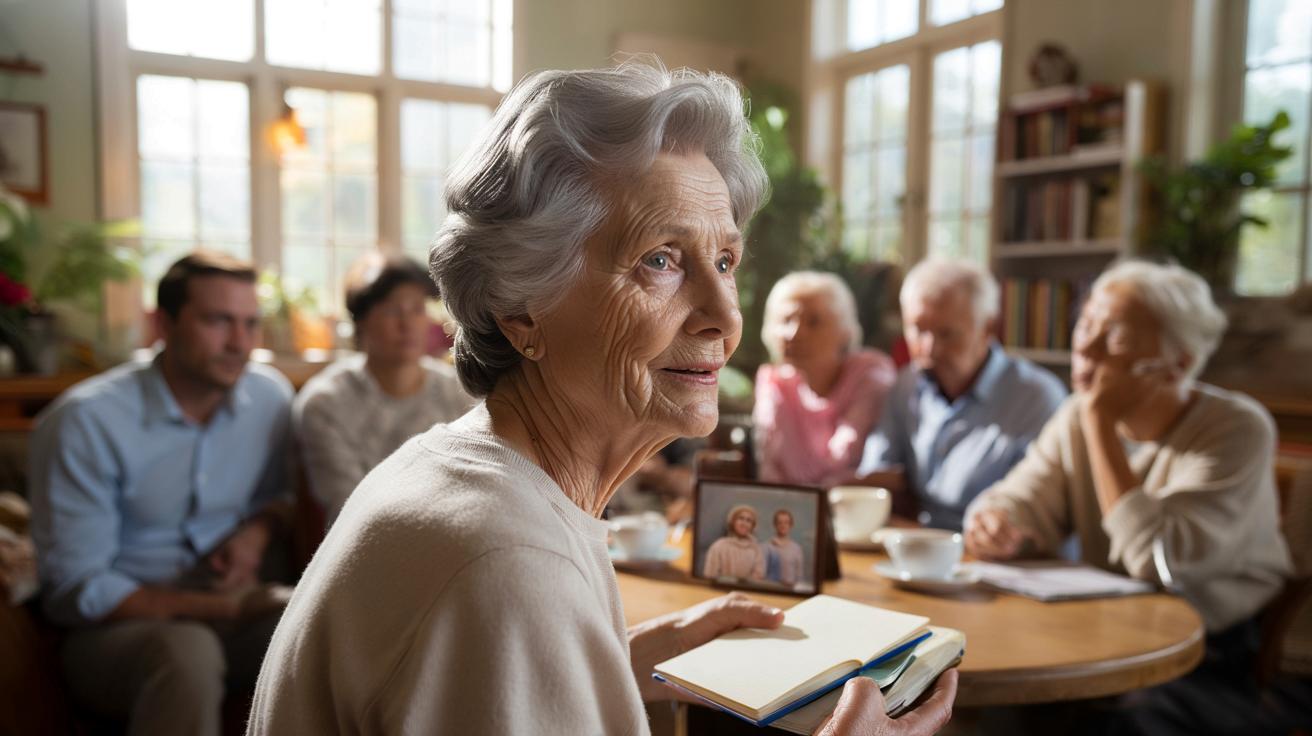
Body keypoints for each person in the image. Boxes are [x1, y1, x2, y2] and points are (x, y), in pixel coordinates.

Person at [247, 61, 956, 736]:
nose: (725, 317)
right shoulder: (510, 563)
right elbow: (501, 598)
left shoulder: (462, 474)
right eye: (660, 260)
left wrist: (613, 658)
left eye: (724, 261)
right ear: (520, 309)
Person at [964, 260, 1294, 735]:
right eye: (1086, 325)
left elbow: (1159, 561)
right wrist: (996, 520)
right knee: (996, 697)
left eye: (1114, 336)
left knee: (1110, 725)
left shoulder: (1238, 429)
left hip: (1211, 653)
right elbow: (1023, 496)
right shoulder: (1076, 416)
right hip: (1106, 628)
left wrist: (1100, 424)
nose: (1085, 346)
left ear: (1178, 364)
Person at [28, 251, 295, 736]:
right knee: (188, 650)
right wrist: (226, 607)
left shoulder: (270, 398)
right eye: (218, 321)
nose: (239, 343)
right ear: (162, 324)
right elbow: (76, 590)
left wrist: (256, 533)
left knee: (333, 621)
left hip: (234, 615)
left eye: (250, 323)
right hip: (115, 636)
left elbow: (281, 497)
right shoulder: (84, 423)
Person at [856, 258, 1066, 530]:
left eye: (946, 334)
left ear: (988, 328)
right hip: (917, 542)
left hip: (997, 549)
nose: (929, 348)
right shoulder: (906, 386)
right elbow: (876, 477)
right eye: (918, 329)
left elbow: (1035, 511)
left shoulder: (1037, 398)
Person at [294, 252, 474, 525]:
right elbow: (347, 508)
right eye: (392, 310)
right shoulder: (326, 403)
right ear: (361, 320)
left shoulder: (458, 390)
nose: (407, 324)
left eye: (417, 309)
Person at [754, 271, 897, 487]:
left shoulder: (871, 377)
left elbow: (854, 470)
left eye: (813, 322)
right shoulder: (774, 384)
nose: (795, 333)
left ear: (845, 331)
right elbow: (768, 473)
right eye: (786, 320)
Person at [703, 504, 767, 580]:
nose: (744, 523)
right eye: (741, 518)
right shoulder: (719, 546)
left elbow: (758, 576)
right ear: (733, 522)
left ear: (752, 526)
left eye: (748, 520)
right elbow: (710, 574)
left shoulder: (756, 550)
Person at [764, 508, 805, 586]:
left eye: (786, 522)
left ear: (791, 525)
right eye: (780, 522)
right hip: (771, 588)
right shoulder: (766, 547)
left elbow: (799, 576)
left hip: (790, 589)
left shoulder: (797, 548)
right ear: (775, 525)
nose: (783, 525)